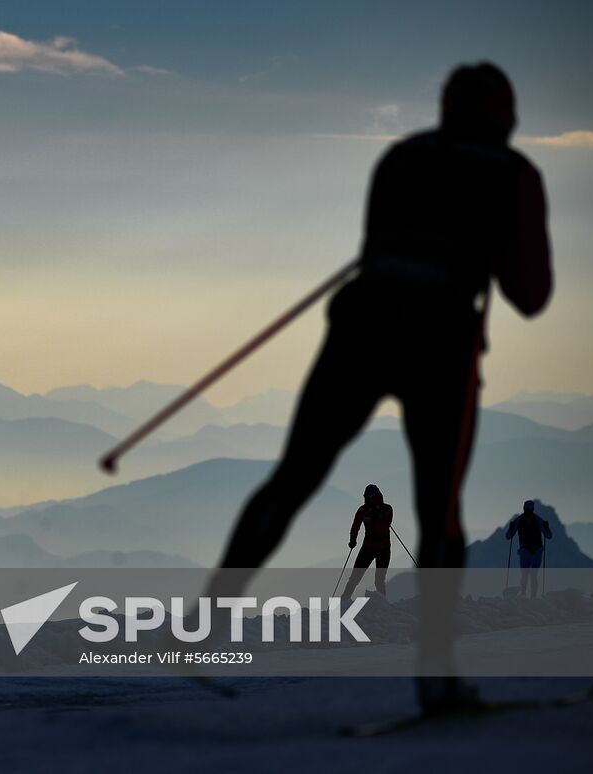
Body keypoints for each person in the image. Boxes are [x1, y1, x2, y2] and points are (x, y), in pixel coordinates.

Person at [203, 62, 552, 712]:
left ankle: (201, 628)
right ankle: (437, 678)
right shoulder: (512, 176)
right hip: (441, 343)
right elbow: (529, 295)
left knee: (294, 476)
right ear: (501, 116)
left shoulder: (401, 159)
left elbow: (376, 248)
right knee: (440, 510)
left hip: (359, 329)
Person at [341, 484, 394, 599]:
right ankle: (344, 599)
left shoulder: (386, 509)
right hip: (370, 547)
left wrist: (378, 514)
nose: (366, 500)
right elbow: (355, 526)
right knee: (356, 576)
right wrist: (352, 539)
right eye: (365, 497)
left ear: (374, 497)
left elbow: (386, 523)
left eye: (368, 497)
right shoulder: (363, 510)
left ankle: (381, 603)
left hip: (381, 548)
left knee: (379, 579)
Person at [506, 500, 552, 597]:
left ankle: (523, 594)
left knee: (525, 575)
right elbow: (548, 536)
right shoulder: (538, 520)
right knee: (533, 575)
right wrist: (546, 528)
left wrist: (511, 528)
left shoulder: (519, 520)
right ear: (533, 509)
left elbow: (508, 536)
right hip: (537, 551)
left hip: (525, 551)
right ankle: (533, 596)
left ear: (524, 508)